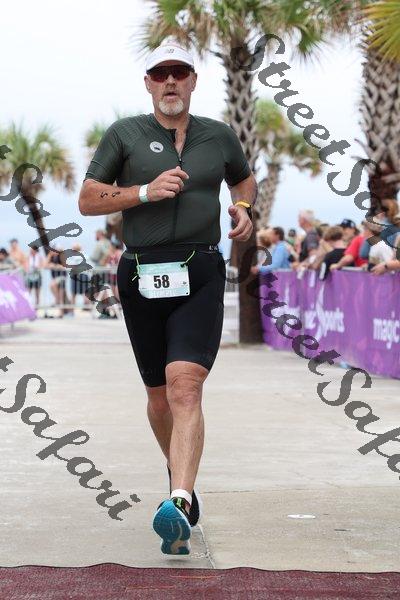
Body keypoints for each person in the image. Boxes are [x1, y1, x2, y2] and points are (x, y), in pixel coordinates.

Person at [78, 41, 257, 555]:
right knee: (158, 395)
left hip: (200, 269)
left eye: (180, 72)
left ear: (194, 80)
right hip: (141, 272)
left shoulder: (218, 135)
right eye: (161, 73)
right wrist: (144, 192)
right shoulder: (125, 134)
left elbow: (243, 178)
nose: (170, 81)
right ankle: (181, 477)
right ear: (149, 83)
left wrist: (243, 206)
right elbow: (88, 199)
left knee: (185, 387)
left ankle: (178, 500)